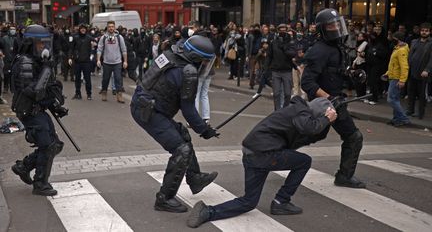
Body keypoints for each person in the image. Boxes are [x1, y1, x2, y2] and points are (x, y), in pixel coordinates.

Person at [187, 97, 338, 228]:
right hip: (265, 154)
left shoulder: (297, 111)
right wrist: (325, 119)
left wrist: (326, 122)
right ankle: (281, 201)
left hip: (253, 152)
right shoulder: (302, 113)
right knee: (304, 161)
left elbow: (312, 135)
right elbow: (310, 128)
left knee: (249, 201)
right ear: (315, 114)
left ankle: (207, 212)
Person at [130, 35, 219, 213]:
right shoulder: (188, 72)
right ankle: (164, 198)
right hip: (149, 111)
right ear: (195, 57)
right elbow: (188, 109)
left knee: (182, 136)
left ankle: (194, 177)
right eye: (204, 61)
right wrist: (204, 130)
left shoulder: (172, 54)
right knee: (181, 149)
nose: (205, 66)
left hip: (146, 105)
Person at [301, 8, 366, 188]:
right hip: (324, 104)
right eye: (331, 25)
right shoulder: (319, 50)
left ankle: (344, 176)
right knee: (305, 136)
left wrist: (353, 75)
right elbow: (307, 83)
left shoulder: (337, 48)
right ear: (322, 29)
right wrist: (329, 98)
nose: (336, 28)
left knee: (353, 137)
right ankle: (272, 154)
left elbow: (337, 73)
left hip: (336, 102)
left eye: (338, 24)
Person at [10, 24, 68, 196]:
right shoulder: (25, 62)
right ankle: (40, 183)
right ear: (30, 43)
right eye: (40, 44)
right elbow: (34, 92)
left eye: (45, 43)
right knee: (47, 145)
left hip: (38, 109)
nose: (44, 47)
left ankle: (23, 167)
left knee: (55, 144)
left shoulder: (38, 61)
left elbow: (46, 90)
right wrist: (47, 69)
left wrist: (56, 105)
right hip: (29, 111)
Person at [382, 31, 410, 126]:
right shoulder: (398, 48)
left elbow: (404, 66)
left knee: (391, 99)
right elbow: (394, 65)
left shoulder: (401, 51)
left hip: (396, 78)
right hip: (393, 77)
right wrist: (387, 73)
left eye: (393, 38)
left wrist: (402, 80)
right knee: (395, 99)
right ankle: (397, 119)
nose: (391, 39)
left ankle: (403, 118)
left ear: (397, 39)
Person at [265, 24, 296, 110]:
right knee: (276, 94)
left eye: (284, 30)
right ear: (278, 31)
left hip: (287, 70)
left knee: (287, 94)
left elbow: (293, 53)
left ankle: (285, 110)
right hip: (276, 71)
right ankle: (277, 112)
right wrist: (266, 68)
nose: (282, 32)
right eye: (280, 30)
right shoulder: (273, 42)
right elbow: (269, 56)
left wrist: (285, 48)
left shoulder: (290, 41)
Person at [96, 20, 128, 103]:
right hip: (106, 62)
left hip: (117, 62)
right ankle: (104, 92)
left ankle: (119, 95)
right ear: (107, 28)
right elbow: (99, 49)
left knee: (118, 79)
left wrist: (125, 61)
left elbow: (124, 50)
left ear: (115, 27)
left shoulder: (119, 37)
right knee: (105, 79)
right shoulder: (103, 38)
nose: (111, 28)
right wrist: (98, 60)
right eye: (109, 27)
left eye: (112, 26)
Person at [406, 23, 432, 119]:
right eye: (422, 30)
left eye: (426, 31)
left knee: (422, 95)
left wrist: (427, 70)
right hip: (412, 71)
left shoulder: (431, 43)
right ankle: (410, 110)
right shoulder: (414, 41)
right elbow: (410, 55)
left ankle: (421, 113)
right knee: (411, 91)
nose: (424, 32)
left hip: (423, 73)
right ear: (420, 31)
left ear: (429, 32)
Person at [69, 24, 95, 100]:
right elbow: (71, 48)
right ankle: (78, 93)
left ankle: (89, 94)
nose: (83, 30)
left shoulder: (90, 38)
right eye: (81, 29)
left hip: (86, 61)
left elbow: (93, 47)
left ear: (86, 30)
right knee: (77, 79)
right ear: (79, 29)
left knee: (87, 79)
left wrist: (92, 55)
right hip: (77, 61)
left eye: (84, 28)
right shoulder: (75, 38)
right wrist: (70, 57)